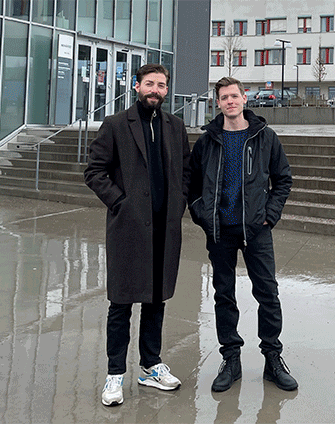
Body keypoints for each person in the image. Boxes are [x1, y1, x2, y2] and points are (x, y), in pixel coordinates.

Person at [84, 63, 191, 406]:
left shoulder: (175, 126)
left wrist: (179, 202)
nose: (155, 90)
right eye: (149, 84)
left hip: (164, 228)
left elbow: (186, 170)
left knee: (156, 300)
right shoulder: (116, 125)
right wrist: (120, 203)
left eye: (161, 85)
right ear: (136, 86)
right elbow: (95, 171)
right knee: (121, 304)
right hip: (129, 228)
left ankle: (151, 365)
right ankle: (115, 374)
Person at [188, 76, 296, 392]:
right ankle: (231, 359)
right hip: (220, 231)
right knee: (224, 294)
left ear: (244, 98)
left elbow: (283, 180)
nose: (230, 101)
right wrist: (203, 215)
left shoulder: (265, 137)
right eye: (224, 98)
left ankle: (273, 359)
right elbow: (191, 185)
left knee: (268, 294)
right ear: (218, 103)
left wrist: (269, 216)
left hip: (257, 231)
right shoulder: (208, 142)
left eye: (234, 96)